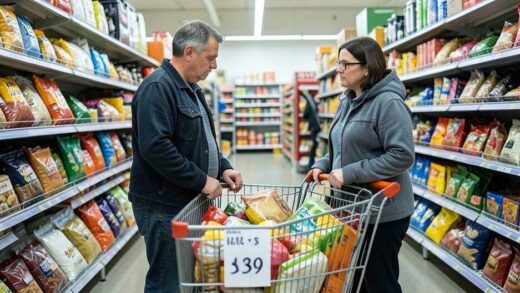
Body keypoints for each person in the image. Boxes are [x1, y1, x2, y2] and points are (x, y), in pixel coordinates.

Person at [129, 20, 243, 293]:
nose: (214, 65)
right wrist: (202, 181)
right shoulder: (157, 87)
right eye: (211, 58)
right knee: (167, 282)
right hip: (163, 205)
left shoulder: (192, 89)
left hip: (186, 201)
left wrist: (221, 169)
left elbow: (204, 140)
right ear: (189, 52)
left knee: (186, 278)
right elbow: (156, 147)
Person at [310, 37, 415, 293]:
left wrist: (350, 173)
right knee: (357, 282)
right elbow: (340, 145)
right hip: (352, 208)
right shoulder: (346, 101)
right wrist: (323, 164)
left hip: (383, 213)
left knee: (380, 283)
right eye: (338, 62)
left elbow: (402, 155)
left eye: (345, 64)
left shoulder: (388, 103)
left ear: (367, 68)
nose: (338, 69)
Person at [301, 90, 321, 170]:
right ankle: (312, 162)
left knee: (314, 144)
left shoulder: (308, 103)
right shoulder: (313, 103)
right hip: (317, 126)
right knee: (315, 144)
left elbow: (305, 114)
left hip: (314, 127)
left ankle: (311, 163)